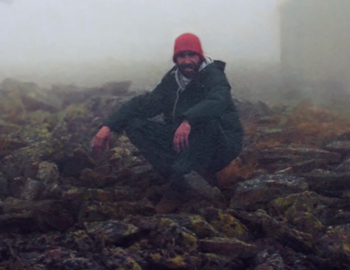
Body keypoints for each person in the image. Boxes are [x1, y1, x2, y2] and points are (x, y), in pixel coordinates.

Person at [92, 33, 243, 211]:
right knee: (133, 124)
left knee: (206, 123)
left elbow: (219, 100)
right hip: (186, 143)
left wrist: (188, 120)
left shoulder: (213, 76)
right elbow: (143, 104)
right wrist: (108, 125)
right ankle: (182, 177)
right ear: (176, 59)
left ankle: (177, 189)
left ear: (200, 56)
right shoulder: (172, 81)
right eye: (182, 56)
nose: (187, 61)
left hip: (220, 145)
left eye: (192, 55)